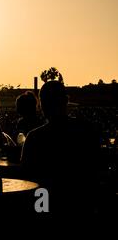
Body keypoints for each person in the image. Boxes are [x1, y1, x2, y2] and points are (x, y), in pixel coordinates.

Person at [21, 81, 100, 214]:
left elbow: (26, 176)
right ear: (66, 101)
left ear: (42, 105)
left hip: (45, 203)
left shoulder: (35, 137)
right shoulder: (87, 130)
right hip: (81, 203)